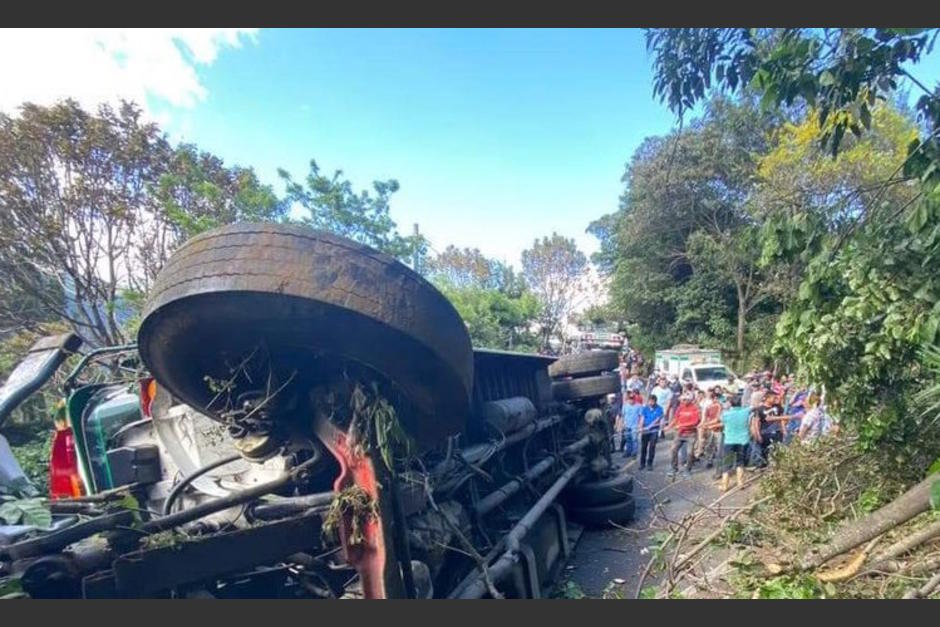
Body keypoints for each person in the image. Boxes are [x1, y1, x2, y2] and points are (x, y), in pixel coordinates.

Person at [719, 395, 751, 491]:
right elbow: (753, 407)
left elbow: (722, 423)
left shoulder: (725, 414)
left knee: (727, 462)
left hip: (729, 440)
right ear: (741, 402)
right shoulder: (746, 411)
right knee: (740, 462)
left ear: (730, 403)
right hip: (743, 440)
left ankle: (725, 486)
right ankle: (740, 483)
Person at [750, 391, 787, 468]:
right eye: (773, 397)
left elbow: (782, 420)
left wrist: (784, 430)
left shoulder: (778, 407)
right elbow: (756, 423)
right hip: (765, 433)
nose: (775, 399)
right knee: (766, 451)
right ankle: (766, 466)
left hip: (777, 432)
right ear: (767, 398)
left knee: (777, 450)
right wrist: (758, 434)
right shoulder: (759, 409)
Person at [668, 393, 701, 479]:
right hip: (680, 434)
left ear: (689, 400)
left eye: (684, 400)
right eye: (682, 400)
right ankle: (673, 468)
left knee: (690, 453)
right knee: (673, 450)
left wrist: (682, 425)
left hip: (691, 434)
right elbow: (676, 418)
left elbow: (695, 422)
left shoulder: (694, 409)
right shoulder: (680, 408)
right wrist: (669, 426)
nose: (682, 401)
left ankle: (687, 470)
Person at [638, 394, 664, 471]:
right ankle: (642, 463)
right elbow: (642, 419)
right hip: (645, 430)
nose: (651, 403)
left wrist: (650, 426)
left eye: (652, 401)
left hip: (654, 430)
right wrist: (640, 428)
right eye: (650, 401)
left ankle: (650, 464)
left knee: (652, 447)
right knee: (643, 447)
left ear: (655, 401)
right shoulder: (645, 409)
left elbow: (658, 419)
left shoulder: (659, 409)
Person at [621, 391, 643, 456]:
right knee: (628, 439)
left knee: (634, 439)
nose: (631, 400)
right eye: (630, 399)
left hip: (635, 425)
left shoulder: (639, 406)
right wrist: (621, 424)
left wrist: (640, 425)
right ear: (628, 399)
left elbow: (641, 416)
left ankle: (634, 452)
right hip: (627, 425)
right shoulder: (625, 406)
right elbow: (622, 416)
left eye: (632, 398)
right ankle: (628, 451)